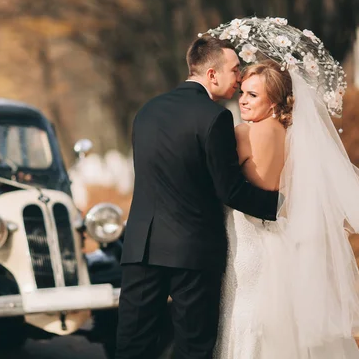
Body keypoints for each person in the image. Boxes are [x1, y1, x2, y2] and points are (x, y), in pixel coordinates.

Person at [210, 17, 359, 359]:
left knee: (248, 318)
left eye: (253, 95)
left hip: (250, 241)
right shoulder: (288, 134)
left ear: (274, 101)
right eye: (242, 92)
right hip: (278, 238)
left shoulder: (244, 135)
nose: (242, 101)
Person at [115, 36, 279, 359]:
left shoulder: (146, 112)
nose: (239, 78)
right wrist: (281, 205)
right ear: (212, 75)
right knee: (193, 348)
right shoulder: (214, 118)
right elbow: (229, 190)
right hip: (191, 253)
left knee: (133, 345)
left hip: (141, 248)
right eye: (235, 71)